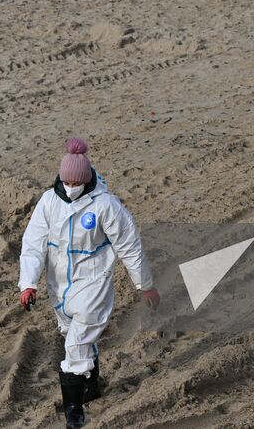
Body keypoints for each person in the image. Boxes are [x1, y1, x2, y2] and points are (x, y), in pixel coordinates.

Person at [19, 138, 158, 429]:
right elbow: (33, 244)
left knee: (76, 346)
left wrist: (144, 284)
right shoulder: (49, 201)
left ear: (86, 179)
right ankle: (91, 387)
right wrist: (28, 283)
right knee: (72, 332)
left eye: (76, 182)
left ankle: (74, 414)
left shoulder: (106, 206)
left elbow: (129, 246)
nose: (70, 187)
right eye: (66, 181)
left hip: (93, 283)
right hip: (59, 285)